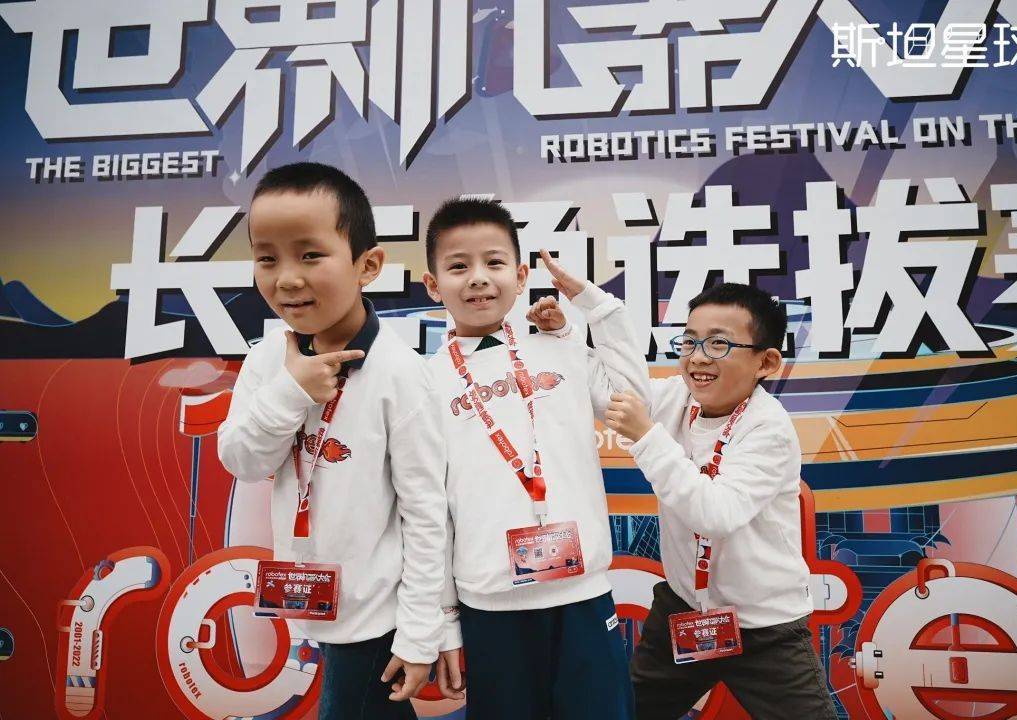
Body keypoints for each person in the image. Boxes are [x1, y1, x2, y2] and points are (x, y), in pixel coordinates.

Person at [218, 162, 447, 719]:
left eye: (310, 255)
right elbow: (243, 459)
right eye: (267, 258)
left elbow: (426, 512)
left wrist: (420, 631)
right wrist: (291, 391)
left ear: (367, 265)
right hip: (309, 604)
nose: (286, 279)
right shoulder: (267, 359)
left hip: (376, 617)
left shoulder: (401, 373)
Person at [422, 198, 647, 719]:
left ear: (521, 276)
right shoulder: (424, 383)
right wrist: (446, 622)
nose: (479, 278)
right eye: (458, 266)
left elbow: (634, 403)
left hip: (583, 596)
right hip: (489, 606)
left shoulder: (559, 348)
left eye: (494, 262)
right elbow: (428, 511)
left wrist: (595, 306)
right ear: (433, 285)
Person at [604, 282, 836, 720]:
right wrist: (578, 321)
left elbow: (715, 514)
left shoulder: (769, 428)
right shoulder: (677, 398)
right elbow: (610, 391)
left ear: (766, 362)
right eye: (690, 341)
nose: (698, 358)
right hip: (686, 610)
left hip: (764, 626)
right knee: (626, 713)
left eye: (718, 344)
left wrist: (647, 437)